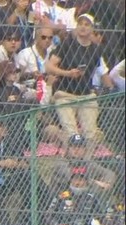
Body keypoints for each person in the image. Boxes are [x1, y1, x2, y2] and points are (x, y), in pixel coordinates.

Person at [45, 13, 107, 143]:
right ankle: (70, 150)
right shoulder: (67, 44)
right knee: (72, 134)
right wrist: (67, 73)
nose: (83, 27)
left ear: (92, 28)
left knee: (91, 135)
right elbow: (49, 67)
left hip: (85, 94)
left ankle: (88, 155)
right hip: (66, 94)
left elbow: (101, 71)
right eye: (80, 24)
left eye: (86, 24)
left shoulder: (96, 49)